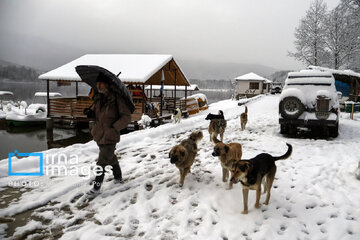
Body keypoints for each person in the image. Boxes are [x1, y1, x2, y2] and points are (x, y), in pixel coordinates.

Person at [87, 72, 131, 196]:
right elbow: (98, 115)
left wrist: (115, 127)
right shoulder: (99, 98)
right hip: (99, 134)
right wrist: (90, 112)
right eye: (97, 84)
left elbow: (126, 117)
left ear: (107, 85)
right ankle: (118, 177)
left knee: (102, 161)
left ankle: (96, 188)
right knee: (110, 157)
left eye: (101, 84)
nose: (98, 86)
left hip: (110, 135)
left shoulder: (117, 99)